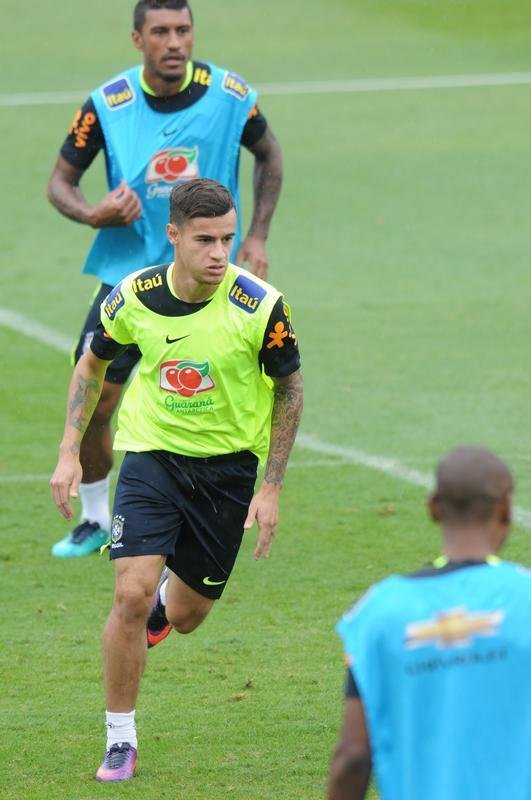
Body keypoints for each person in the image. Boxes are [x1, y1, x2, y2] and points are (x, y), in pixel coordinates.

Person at [50, 178, 303, 782]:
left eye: (227, 238)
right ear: (173, 236)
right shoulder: (132, 296)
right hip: (152, 455)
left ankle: (168, 604)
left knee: (186, 615)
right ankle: (119, 739)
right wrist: (68, 450)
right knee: (128, 595)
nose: (220, 253)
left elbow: (290, 389)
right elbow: (92, 364)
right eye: (205, 240)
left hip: (229, 467)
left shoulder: (261, 305)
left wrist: (271, 486)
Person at [48, 0, 283, 558]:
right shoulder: (109, 104)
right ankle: (97, 516)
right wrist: (92, 212)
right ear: (138, 40)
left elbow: (269, 156)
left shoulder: (230, 96)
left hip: (210, 283)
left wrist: (257, 236)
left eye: (183, 30)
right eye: (160, 32)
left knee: (210, 394)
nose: (174, 42)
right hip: (127, 281)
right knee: (99, 397)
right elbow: (60, 181)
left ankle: (202, 513)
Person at [327, 446, 531, 800]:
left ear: (433, 507)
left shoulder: (380, 611)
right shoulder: (525, 597)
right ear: (505, 508)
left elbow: (354, 757)